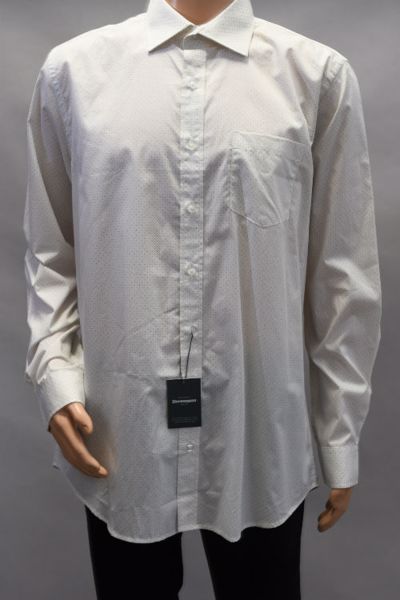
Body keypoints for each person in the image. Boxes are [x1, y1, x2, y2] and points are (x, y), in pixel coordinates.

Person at [23, 0, 382, 598]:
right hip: (121, 427)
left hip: (258, 433)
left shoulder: (315, 75)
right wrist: (56, 375)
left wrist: (338, 435)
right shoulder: (73, 74)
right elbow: (51, 253)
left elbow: (342, 275)